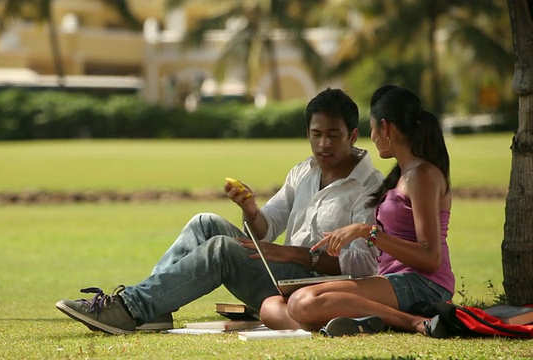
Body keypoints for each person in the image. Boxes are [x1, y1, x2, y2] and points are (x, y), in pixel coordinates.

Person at [55, 88, 384, 334]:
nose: (323, 144)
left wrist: (295, 255)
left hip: (315, 289)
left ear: (353, 135)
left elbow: (363, 267)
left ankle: (131, 308)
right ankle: (155, 308)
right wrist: (251, 210)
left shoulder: (369, 186)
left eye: (332, 136)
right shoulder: (304, 172)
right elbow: (265, 230)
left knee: (223, 251)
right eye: (316, 135)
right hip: (280, 275)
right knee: (205, 223)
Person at [259, 85, 455, 338]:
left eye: (373, 128)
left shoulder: (422, 175)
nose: (372, 137)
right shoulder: (401, 175)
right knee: (270, 306)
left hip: (423, 284)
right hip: (390, 280)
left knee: (301, 302)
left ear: (385, 128)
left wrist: (366, 232)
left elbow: (430, 258)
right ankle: (353, 323)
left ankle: (413, 322)